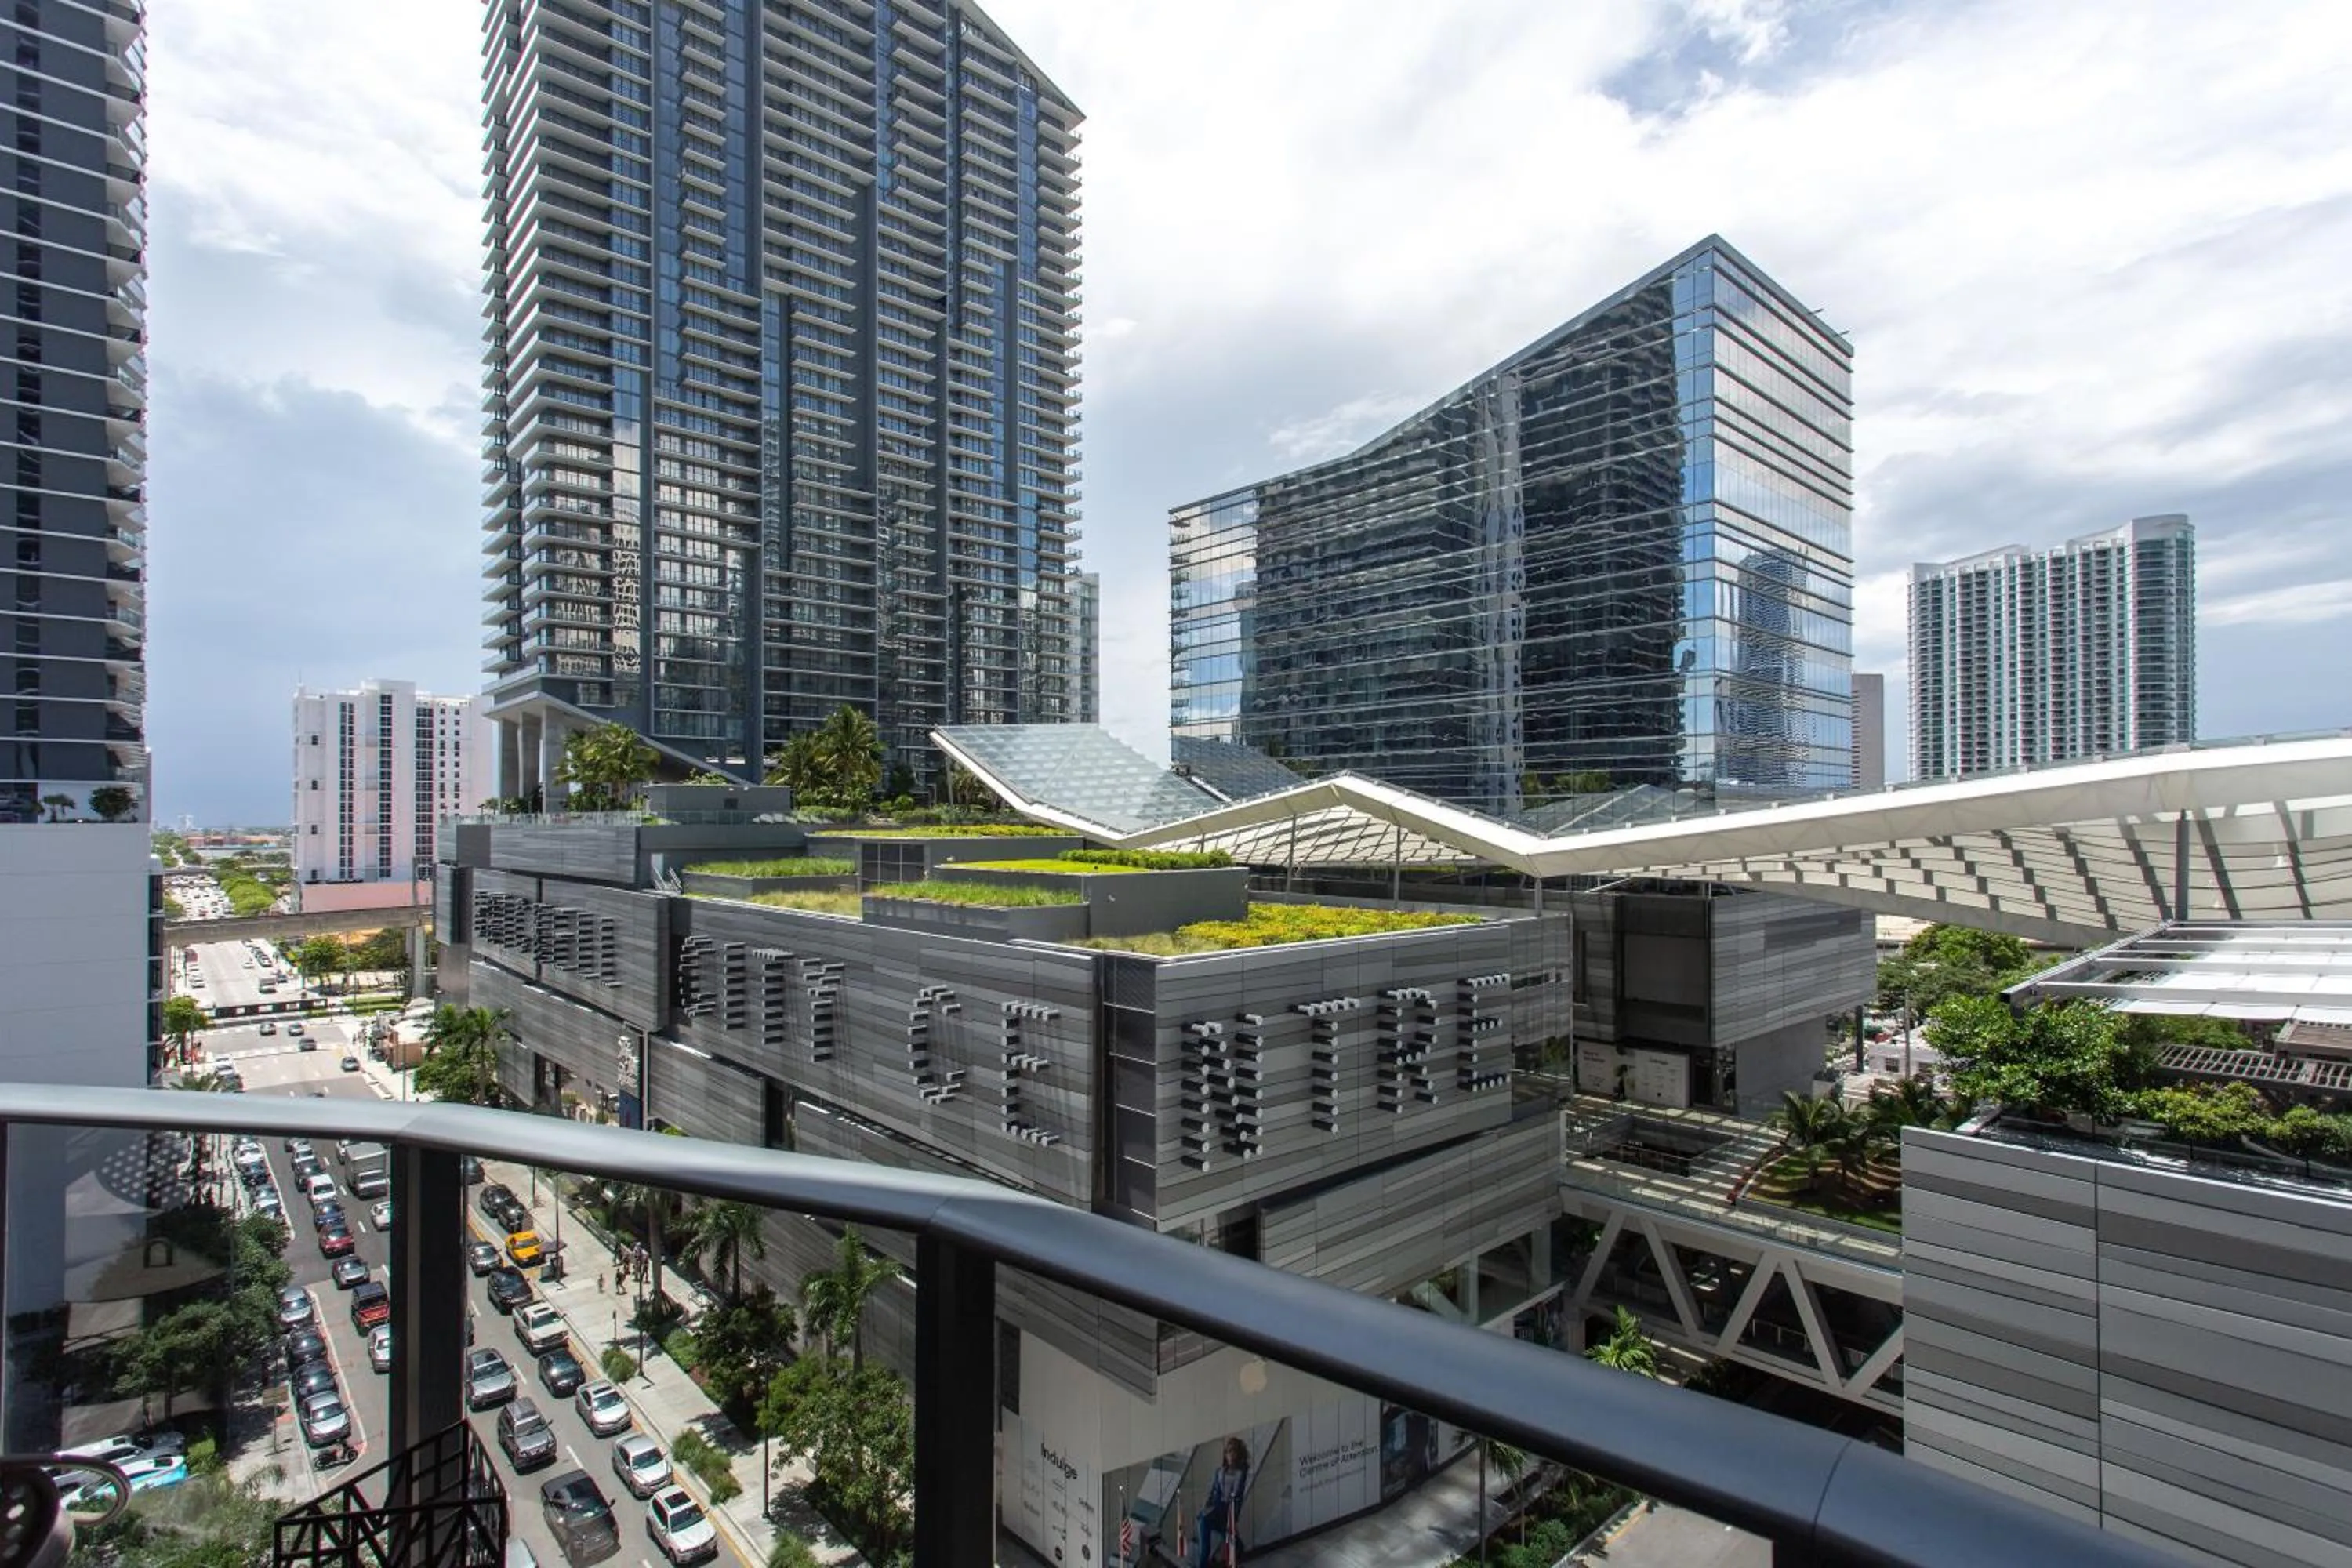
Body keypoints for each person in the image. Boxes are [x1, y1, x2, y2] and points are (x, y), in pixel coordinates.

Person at [1191, 1437, 1250, 1567]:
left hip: (1226, 1513)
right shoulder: (1219, 1471)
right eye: (1228, 1451)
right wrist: (1206, 1507)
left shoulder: (1241, 1473)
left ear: (1238, 1454)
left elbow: (1237, 1497)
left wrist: (1234, 1518)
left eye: (1233, 1451)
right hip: (1214, 1512)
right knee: (1205, 1542)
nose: (1230, 1454)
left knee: (1233, 1542)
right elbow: (1212, 1494)